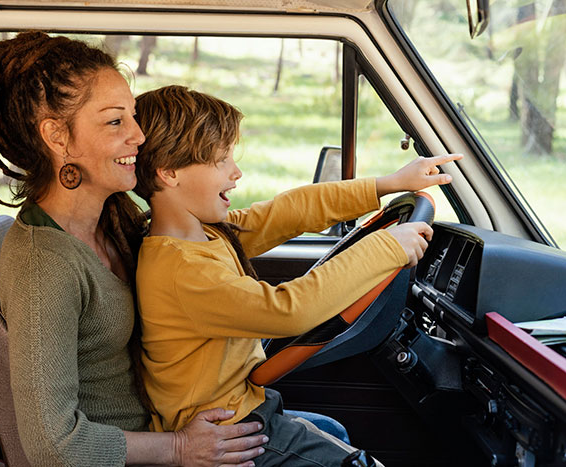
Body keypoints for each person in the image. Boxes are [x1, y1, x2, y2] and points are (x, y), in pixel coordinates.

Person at [0, 32, 268, 467]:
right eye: (116, 122)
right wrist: (181, 448)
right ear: (58, 136)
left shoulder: (115, 220)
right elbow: (52, 446)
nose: (140, 135)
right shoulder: (43, 265)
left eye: (133, 116)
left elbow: (231, 231)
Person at [132, 85, 462, 466]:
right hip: (230, 434)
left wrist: (388, 184)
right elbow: (287, 311)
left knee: (333, 431)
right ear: (169, 173)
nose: (236, 172)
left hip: (246, 407)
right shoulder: (181, 269)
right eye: (221, 161)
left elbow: (286, 212)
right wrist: (386, 247)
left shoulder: (205, 233)